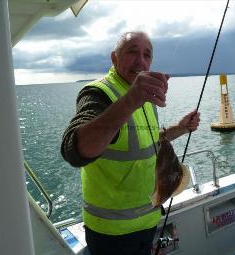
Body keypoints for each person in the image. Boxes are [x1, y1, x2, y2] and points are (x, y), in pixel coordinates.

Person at [61, 31, 200, 255]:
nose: (141, 61)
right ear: (114, 58)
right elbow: (74, 150)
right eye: (132, 52)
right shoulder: (98, 93)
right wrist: (131, 99)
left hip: (147, 221)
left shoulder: (144, 95)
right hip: (111, 233)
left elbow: (150, 140)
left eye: (147, 55)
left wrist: (181, 128)